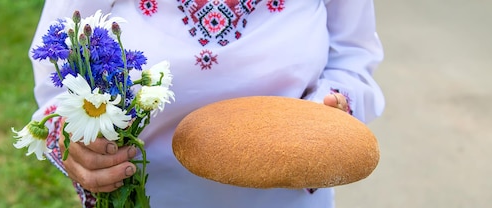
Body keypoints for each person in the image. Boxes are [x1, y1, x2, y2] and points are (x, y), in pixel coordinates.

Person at [29, 0, 385, 207]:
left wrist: (332, 109)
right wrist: (76, 143)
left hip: (286, 200)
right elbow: (56, 58)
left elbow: (354, 55)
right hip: (140, 194)